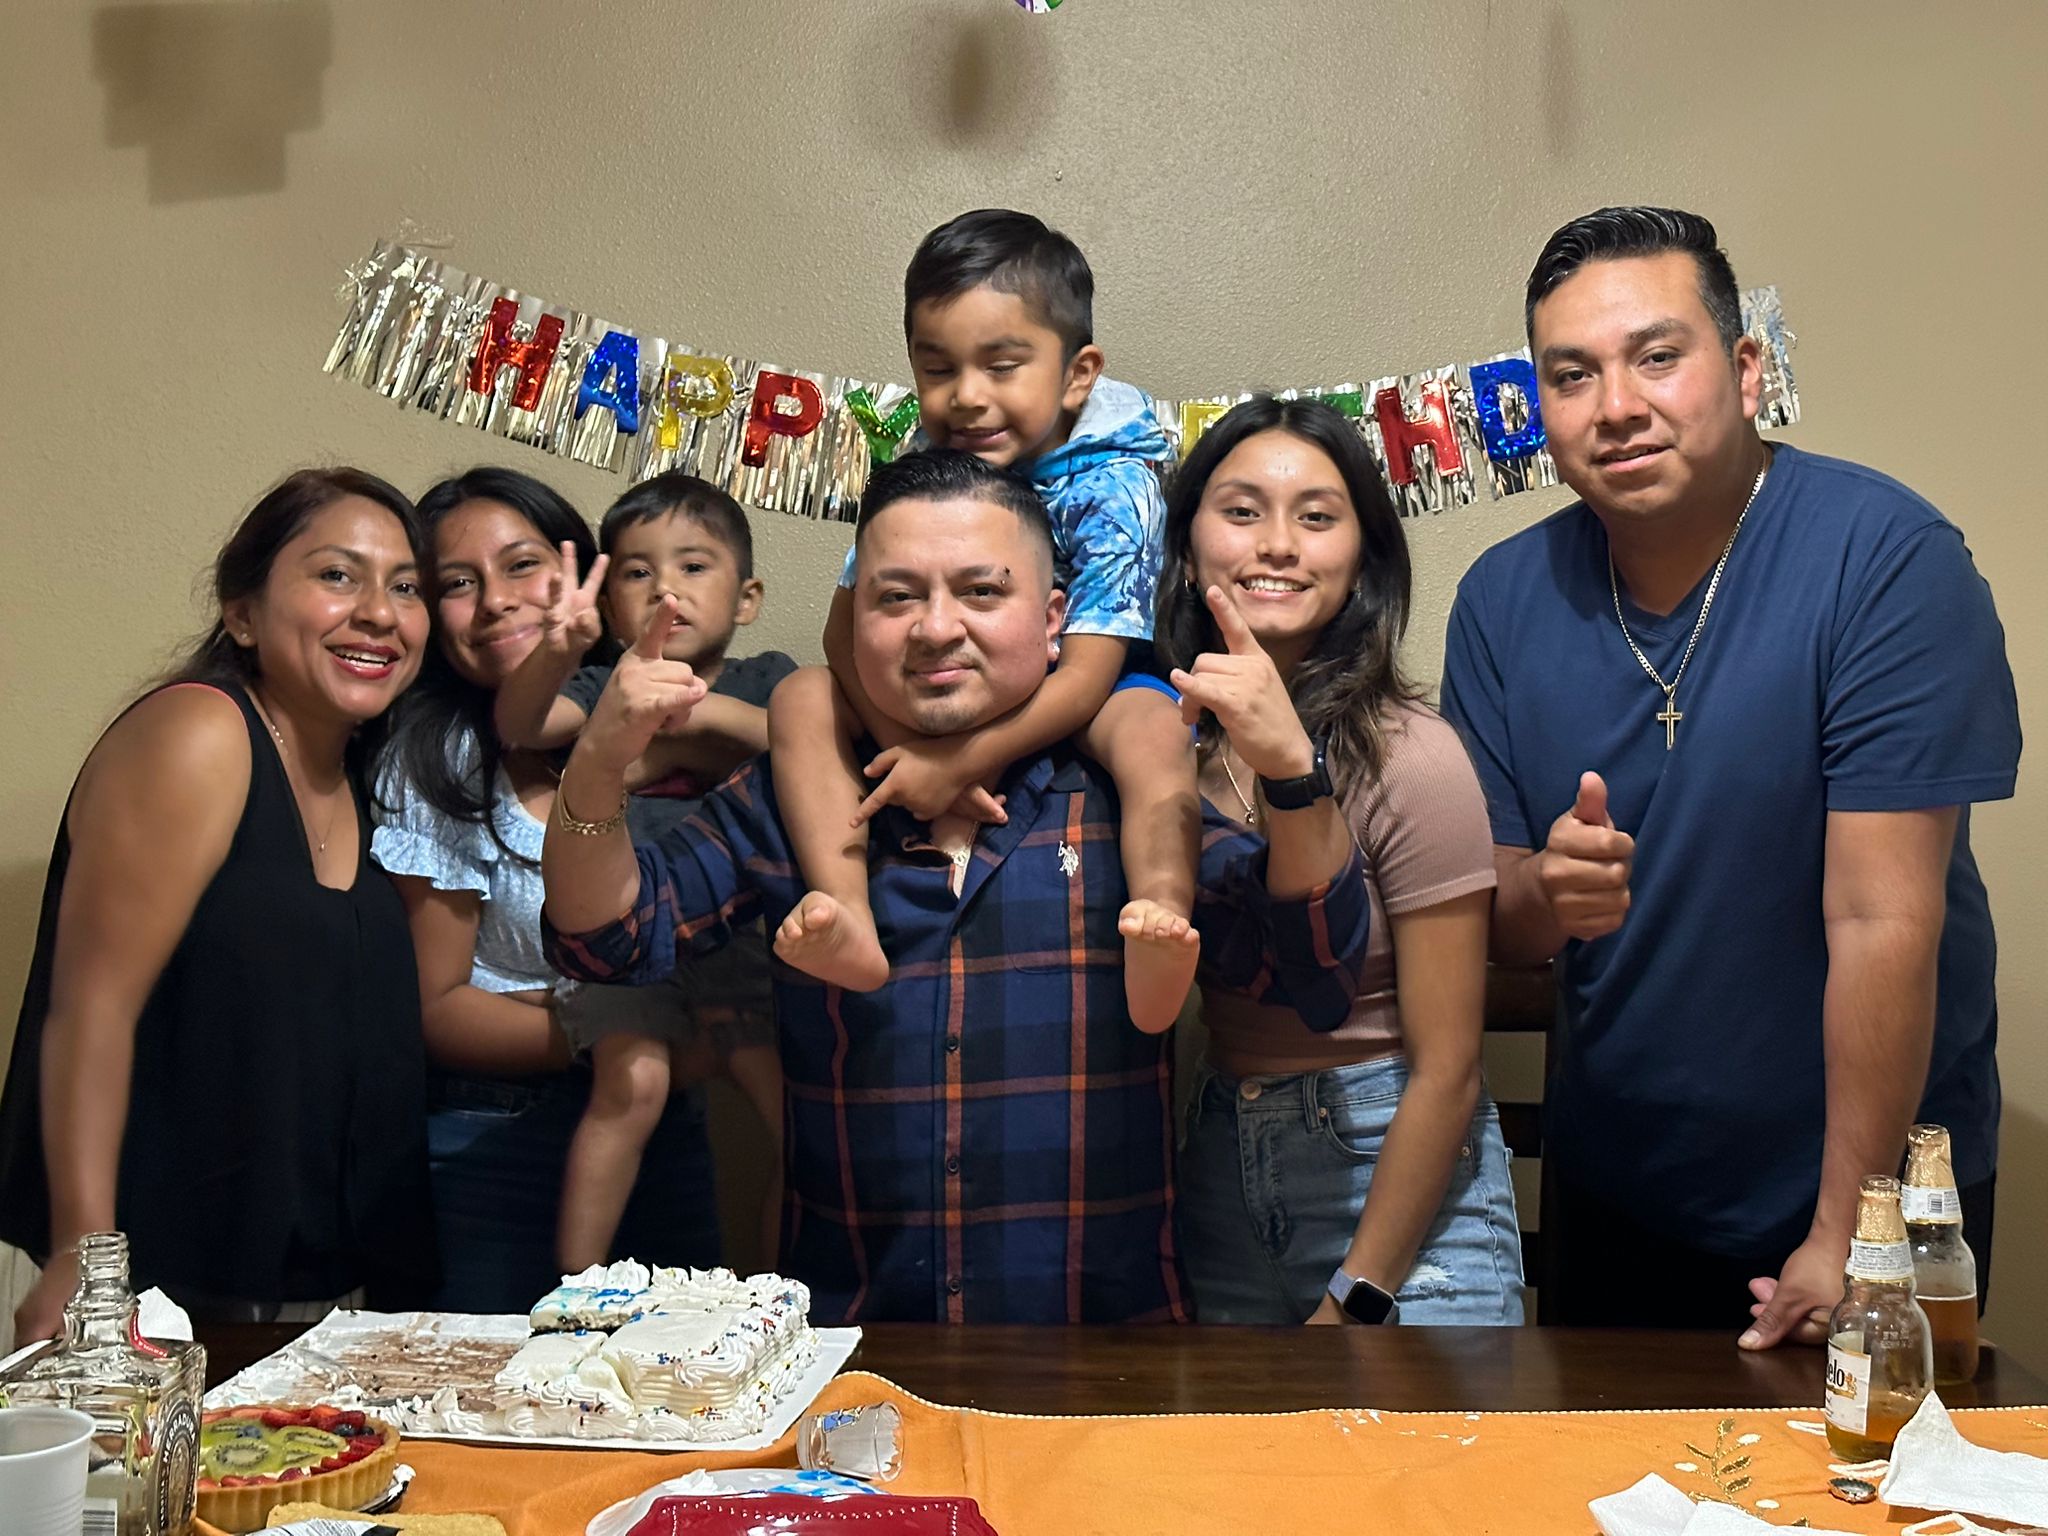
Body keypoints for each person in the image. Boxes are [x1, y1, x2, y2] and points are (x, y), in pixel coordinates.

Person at [542, 449, 1370, 1324]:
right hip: (851, 1353)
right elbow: (611, 941)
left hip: (1105, 1355)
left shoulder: (1121, 796)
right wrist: (598, 761)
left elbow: (1310, 974)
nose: (937, 628)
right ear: (852, 622)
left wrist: (1292, 775)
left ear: (1055, 620)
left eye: (981, 593)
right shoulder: (800, 794)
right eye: (896, 598)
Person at [1438, 206, 2020, 1344]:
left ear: (1744, 369)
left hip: (1871, 1195)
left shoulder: (1884, 559)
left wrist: (1850, 1229)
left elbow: (1880, 919)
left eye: (1657, 356)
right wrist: (1545, 894)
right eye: (1571, 375)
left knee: (1851, 1511)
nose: (1616, 406)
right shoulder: (1500, 602)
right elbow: (1499, 914)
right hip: (1622, 1184)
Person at [0, 468, 439, 1337]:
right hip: (158, 1303)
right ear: (241, 613)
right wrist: (82, 1265)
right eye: (337, 575)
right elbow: (92, 1012)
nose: (380, 613)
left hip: (317, 1304)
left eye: (407, 586)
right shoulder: (199, 733)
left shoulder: (360, 778)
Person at [767, 209, 1202, 1032]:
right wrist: (910, 749)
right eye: (937, 369)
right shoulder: (920, 477)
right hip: (953, 702)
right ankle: (845, 903)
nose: (967, 397)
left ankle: (1160, 922)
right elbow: (840, 632)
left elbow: (1088, 673)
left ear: (1077, 375)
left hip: (1090, 686)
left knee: (1153, 728)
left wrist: (960, 759)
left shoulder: (1119, 483)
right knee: (799, 696)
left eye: (1002, 366)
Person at [1163, 398, 1524, 1326]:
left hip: (1397, 1175)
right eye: (1241, 512)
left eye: (1316, 517)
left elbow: (1449, 1067)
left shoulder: (1412, 756)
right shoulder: (1153, 742)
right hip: (1219, 1162)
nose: (1276, 544)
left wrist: (1359, 1295)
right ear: (1190, 537)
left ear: (1362, 556)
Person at [372, 467, 724, 1312]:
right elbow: (441, 1010)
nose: (495, 601)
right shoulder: (438, 762)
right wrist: (617, 1030)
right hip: (500, 1143)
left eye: (523, 564)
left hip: (671, 1132)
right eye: (457, 583)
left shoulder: (653, 720)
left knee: (684, 1397)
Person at [491, 471, 795, 1271]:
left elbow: (806, 751)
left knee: (799, 1123)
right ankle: (571, 1298)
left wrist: (699, 718)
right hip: (622, 937)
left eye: (695, 567)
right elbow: (523, 724)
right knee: (634, 1086)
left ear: (748, 596)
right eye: (637, 572)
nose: (667, 588)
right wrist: (553, 654)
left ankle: (780, 1301)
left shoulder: (770, 678)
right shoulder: (604, 683)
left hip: (750, 938)